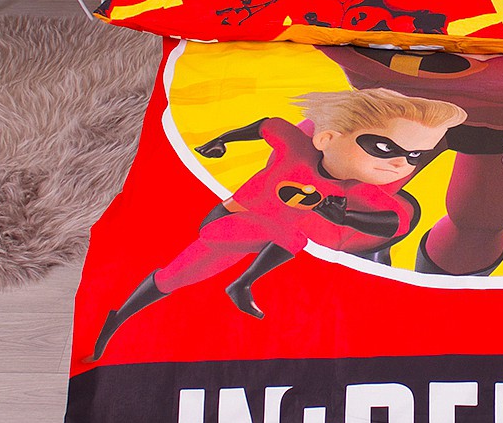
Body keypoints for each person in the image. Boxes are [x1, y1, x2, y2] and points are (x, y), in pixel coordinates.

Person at [86, 88, 466, 361]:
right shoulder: (296, 148)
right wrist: (220, 141)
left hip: (278, 236)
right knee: (173, 278)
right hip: (231, 222)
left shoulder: (360, 191)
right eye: (385, 148)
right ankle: (117, 322)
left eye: (414, 155)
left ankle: (243, 283)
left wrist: (345, 216)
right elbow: (267, 125)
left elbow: (391, 222)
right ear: (326, 138)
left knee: (292, 235)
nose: (401, 165)